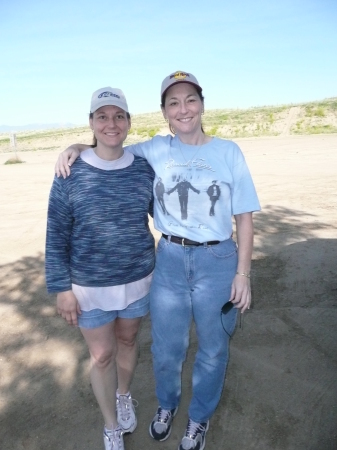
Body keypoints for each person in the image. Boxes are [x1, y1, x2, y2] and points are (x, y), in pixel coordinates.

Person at [55, 71, 260, 450]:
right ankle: (167, 405)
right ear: (164, 112)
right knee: (167, 347)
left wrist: (242, 274)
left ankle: (198, 417)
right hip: (168, 257)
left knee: (213, 348)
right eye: (173, 103)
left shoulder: (228, 151)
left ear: (201, 104)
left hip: (218, 259)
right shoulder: (155, 149)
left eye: (190, 100)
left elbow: (244, 216)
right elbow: (109, 147)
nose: (183, 109)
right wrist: (76, 146)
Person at [46, 87, 155, 450]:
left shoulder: (143, 167)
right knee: (102, 354)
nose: (112, 123)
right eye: (103, 116)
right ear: (91, 122)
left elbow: (166, 213)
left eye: (119, 116)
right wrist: (62, 288)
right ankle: (111, 426)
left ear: (128, 122)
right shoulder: (71, 171)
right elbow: (56, 232)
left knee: (127, 341)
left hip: (138, 280)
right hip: (88, 287)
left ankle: (125, 395)